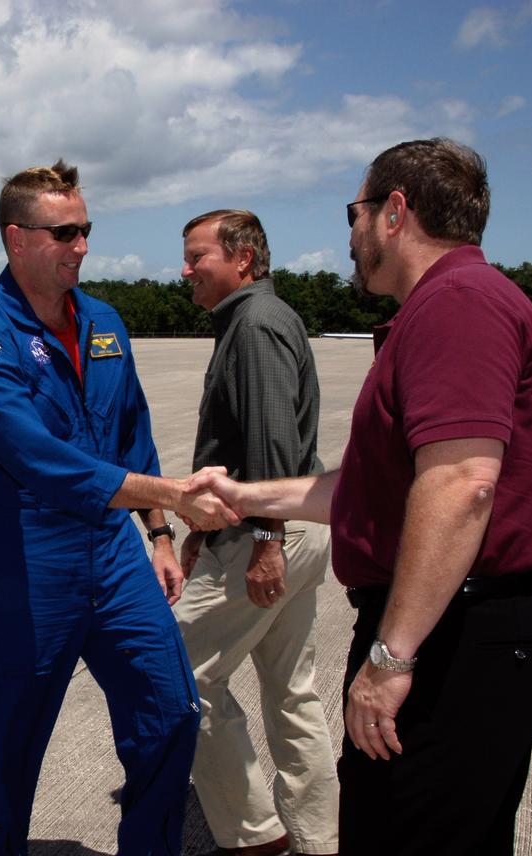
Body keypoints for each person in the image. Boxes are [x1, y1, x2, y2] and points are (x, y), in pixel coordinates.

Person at [186, 138, 532, 855]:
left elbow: (462, 485)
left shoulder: (456, 305)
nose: (350, 233)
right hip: (468, 632)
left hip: (463, 641)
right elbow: (369, 489)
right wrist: (243, 495)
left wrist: (390, 660)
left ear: (394, 212)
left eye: (354, 212)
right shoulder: (450, 304)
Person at [0, 160, 234, 855]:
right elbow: (46, 464)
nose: (81, 246)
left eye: (86, 230)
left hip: (113, 554)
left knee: (169, 713)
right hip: (25, 567)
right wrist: (171, 495)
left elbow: (131, 425)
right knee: (5, 749)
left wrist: (159, 535)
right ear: (17, 238)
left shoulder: (103, 321)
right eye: (64, 232)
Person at [172, 210, 338, 856]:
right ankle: (320, 837)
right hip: (284, 529)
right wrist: (202, 534)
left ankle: (254, 839)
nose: (185, 270)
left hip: (271, 536)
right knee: (291, 688)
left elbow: (271, 439)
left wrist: (266, 542)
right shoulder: (250, 322)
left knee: (179, 672)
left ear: (243, 260)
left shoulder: (257, 326)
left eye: (196, 256)